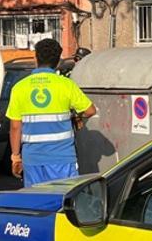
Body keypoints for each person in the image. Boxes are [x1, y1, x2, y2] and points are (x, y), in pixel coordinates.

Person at [6, 39, 95, 186]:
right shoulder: (66, 85)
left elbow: (15, 127)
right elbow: (90, 111)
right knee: (62, 201)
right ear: (58, 62)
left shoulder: (19, 88)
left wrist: (16, 157)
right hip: (62, 158)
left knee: (37, 202)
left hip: (33, 159)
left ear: (36, 58)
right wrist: (76, 117)